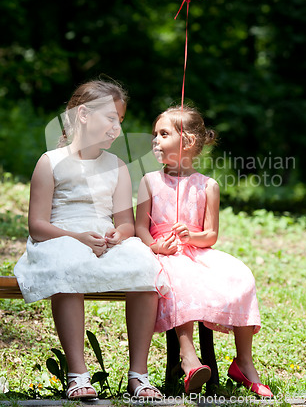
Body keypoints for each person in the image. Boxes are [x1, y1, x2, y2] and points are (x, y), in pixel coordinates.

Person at [14, 79, 168, 400]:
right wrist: (77, 237)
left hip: (103, 240)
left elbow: (125, 223)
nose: (116, 128)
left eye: (120, 122)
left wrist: (117, 235)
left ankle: (138, 374)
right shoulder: (51, 162)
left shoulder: (117, 166)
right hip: (60, 237)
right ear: (83, 114)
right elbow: (37, 226)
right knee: (68, 265)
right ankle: (77, 374)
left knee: (145, 268)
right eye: (111, 119)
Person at [135, 105, 273, 397]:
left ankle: (244, 362)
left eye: (163, 134)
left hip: (195, 252)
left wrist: (191, 235)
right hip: (163, 254)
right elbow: (141, 229)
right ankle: (188, 358)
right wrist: (156, 245)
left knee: (242, 275)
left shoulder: (207, 186)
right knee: (178, 278)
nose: (155, 141)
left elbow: (210, 235)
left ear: (187, 142)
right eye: (154, 134)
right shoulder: (150, 182)